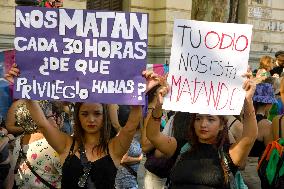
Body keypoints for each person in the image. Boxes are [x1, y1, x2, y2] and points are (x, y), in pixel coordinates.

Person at [5, 64, 156, 189]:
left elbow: (130, 127)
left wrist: (139, 94)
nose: (91, 119)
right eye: (85, 114)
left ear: (104, 117)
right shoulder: (66, 144)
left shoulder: (114, 149)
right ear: (77, 116)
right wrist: (24, 89)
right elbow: (43, 124)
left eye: (97, 113)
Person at [146, 70, 257, 188]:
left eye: (210, 119)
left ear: (222, 125)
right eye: (198, 119)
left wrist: (248, 100)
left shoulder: (229, 155)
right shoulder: (178, 147)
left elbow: (249, 137)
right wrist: (158, 105)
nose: (203, 124)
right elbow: (153, 135)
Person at [11, 100, 63, 189]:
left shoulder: (18, 140)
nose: (55, 118)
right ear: (39, 119)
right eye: (52, 116)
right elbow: (70, 175)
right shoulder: (53, 143)